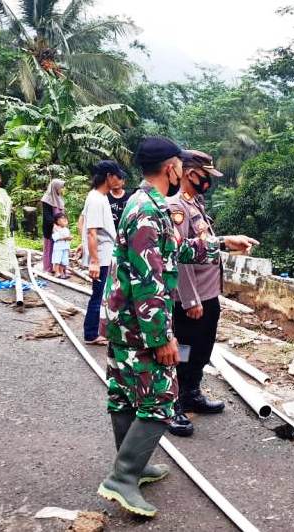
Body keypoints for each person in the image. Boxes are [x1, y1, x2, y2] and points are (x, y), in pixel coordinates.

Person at [97, 137, 221, 518]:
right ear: (171, 168)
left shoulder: (145, 204)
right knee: (161, 399)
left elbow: (174, 250)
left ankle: (132, 466)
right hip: (139, 327)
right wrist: (162, 338)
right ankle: (123, 477)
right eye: (181, 165)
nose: (183, 171)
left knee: (123, 395)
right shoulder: (148, 213)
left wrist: (223, 245)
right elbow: (147, 281)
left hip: (124, 321)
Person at [167, 150, 258, 437]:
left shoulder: (195, 202)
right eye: (205, 175)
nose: (208, 181)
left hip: (208, 293)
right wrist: (190, 298)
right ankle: (172, 403)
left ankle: (191, 392)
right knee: (182, 351)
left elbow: (205, 242)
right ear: (190, 173)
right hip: (189, 297)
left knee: (202, 348)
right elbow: (180, 256)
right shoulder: (175, 206)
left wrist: (229, 243)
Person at [80, 160, 122, 346]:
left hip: (105, 254)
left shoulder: (100, 196)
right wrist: (94, 261)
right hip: (102, 257)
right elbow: (92, 232)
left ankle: (98, 330)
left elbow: (85, 224)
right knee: (98, 295)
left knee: (102, 295)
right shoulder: (97, 199)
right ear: (108, 177)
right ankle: (91, 334)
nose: (119, 180)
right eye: (117, 176)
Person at [40, 178, 65, 273]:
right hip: (50, 228)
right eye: (61, 187)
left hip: (60, 228)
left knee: (59, 248)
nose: (62, 189)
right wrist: (56, 225)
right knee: (49, 248)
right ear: (55, 187)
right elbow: (47, 216)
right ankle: (48, 268)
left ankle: (59, 269)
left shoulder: (59, 198)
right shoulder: (47, 199)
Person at [51, 214, 72, 279]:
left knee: (64, 260)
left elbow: (68, 239)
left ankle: (62, 272)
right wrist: (65, 238)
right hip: (58, 247)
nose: (64, 219)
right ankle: (57, 272)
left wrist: (69, 248)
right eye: (62, 218)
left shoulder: (66, 229)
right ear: (57, 221)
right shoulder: (56, 228)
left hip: (65, 247)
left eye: (65, 218)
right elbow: (55, 238)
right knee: (57, 260)